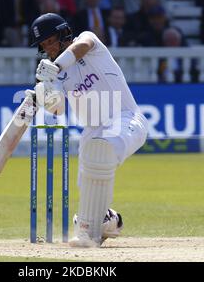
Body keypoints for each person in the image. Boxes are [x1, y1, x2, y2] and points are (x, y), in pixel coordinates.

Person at [28, 13, 148, 247]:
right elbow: (58, 110)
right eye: (44, 45)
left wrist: (55, 66)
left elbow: (83, 45)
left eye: (51, 41)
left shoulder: (88, 41)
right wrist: (45, 91)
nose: (48, 48)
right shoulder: (58, 76)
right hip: (92, 133)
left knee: (102, 149)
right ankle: (106, 221)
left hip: (126, 119)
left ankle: (91, 230)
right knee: (92, 179)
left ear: (64, 34)